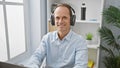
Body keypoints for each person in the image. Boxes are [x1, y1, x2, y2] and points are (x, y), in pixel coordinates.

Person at [25, 3, 88, 68]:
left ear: (71, 20)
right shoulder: (47, 38)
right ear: (53, 20)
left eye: (64, 18)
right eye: (57, 18)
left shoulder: (80, 41)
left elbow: (81, 65)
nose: (60, 21)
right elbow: (36, 56)